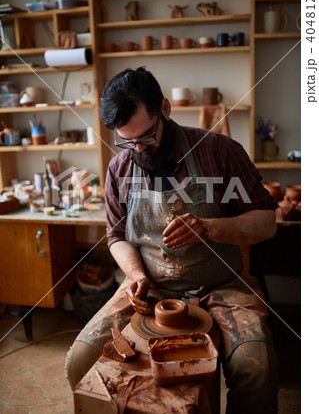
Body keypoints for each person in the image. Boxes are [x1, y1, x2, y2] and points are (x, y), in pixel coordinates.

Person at [65, 67, 278, 413]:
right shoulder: (119, 168)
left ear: (165, 108)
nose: (138, 149)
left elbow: (267, 223)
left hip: (222, 285)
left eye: (146, 137)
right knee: (80, 359)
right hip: (151, 289)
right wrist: (135, 275)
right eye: (126, 140)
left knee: (256, 368)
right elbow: (116, 235)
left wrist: (210, 228)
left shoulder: (219, 151)